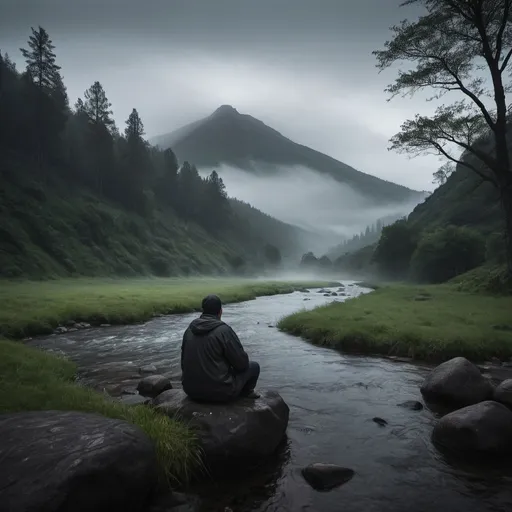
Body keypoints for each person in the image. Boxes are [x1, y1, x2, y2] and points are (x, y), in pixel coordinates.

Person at [180, 294, 260, 402]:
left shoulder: (189, 329)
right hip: (221, 393)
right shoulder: (224, 330)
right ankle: (246, 393)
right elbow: (242, 364)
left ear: (202, 311)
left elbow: (183, 363)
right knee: (254, 367)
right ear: (220, 311)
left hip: (190, 390)